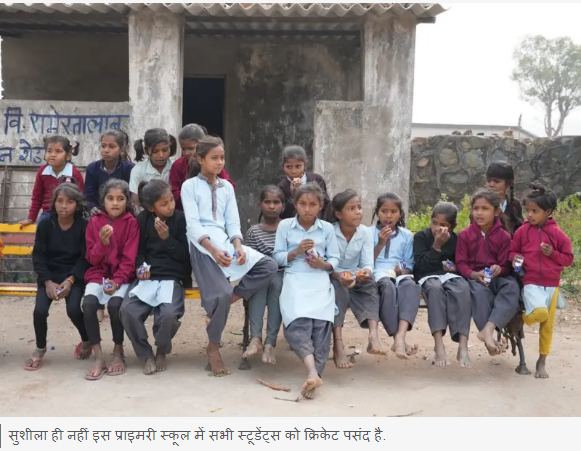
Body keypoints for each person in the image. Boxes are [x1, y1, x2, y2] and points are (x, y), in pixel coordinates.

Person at [181, 136, 277, 376]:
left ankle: (227, 301)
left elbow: (232, 222)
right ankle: (213, 346)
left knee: (268, 266)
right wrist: (213, 250)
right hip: (202, 247)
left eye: (222, 158)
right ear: (200, 159)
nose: (219, 162)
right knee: (220, 294)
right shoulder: (189, 186)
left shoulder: (227, 187)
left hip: (225, 242)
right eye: (214, 158)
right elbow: (192, 225)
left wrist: (238, 246)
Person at [273, 183, 340, 399]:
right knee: (297, 322)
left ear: (321, 206)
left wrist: (323, 264)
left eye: (312, 204)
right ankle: (312, 372)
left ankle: (315, 375)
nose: (307, 209)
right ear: (295, 204)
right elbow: (277, 257)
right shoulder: (285, 226)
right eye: (302, 204)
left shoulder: (327, 229)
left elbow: (335, 258)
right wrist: (296, 251)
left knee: (321, 325)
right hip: (295, 278)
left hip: (319, 279)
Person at [121, 180, 190, 375]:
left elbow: (185, 256)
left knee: (168, 315)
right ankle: (145, 354)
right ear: (152, 208)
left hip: (171, 277)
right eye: (164, 203)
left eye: (172, 200)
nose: (170, 206)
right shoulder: (142, 220)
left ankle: (162, 348)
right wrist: (140, 268)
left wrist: (167, 239)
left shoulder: (180, 220)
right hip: (147, 278)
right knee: (127, 310)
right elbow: (139, 251)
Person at [510, 183, 574, 378]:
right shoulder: (522, 231)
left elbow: (568, 259)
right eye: (527, 210)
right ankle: (519, 319)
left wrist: (552, 253)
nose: (529, 215)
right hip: (530, 281)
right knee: (540, 313)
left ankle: (541, 360)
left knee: (547, 326)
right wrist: (516, 258)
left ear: (548, 212)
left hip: (552, 284)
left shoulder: (558, 234)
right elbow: (513, 251)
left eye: (535, 211)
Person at [24, 183, 91, 371]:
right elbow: (38, 256)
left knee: (73, 309)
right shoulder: (46, 224)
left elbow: (85, 257)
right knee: (40, 311)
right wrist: (47, 282)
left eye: (69, 202)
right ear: (54, 203)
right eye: (60, 201)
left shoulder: (83, 226)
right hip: (49, 276)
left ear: (77, 204)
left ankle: (87, 340)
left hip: (73, 276)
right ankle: (40, 348)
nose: (64, 206)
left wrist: (70, 281)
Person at [82, 179, 139, 380]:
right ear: (103, 200)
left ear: (127, 201)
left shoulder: (131, 223)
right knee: (88, 305)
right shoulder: (94, 222)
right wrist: (103, 243)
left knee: (115, 306)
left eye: (120, 198)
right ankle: (98, 355)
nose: (115, 203)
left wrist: (117, 281)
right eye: (110, 198)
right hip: (98, 274)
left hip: (121, 276)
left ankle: (117, 350)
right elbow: (91, 258)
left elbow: (129, 260)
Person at [456, 188, 520, 356]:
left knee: (512, 287)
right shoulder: (465, 235)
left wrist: (499, 268)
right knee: (479, 293)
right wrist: (473, 274)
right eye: (476, 208)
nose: (479, 213)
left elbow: (506, 266)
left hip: (497, 278)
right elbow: (461, 264)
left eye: (485, 209)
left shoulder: (504, 236)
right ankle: (489, 338)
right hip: (475, 279)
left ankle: (489, 329)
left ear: (496, 212)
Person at [327, 189, 383, 369]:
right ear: (339, 214)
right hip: (335, 276)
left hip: (356, 276)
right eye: (351, 208)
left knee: (370, 285)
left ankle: (373, 335)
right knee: (338, 291)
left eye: (359, 207)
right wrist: (339, 275)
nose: (358, 212)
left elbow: (367, 263)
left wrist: (364, 273)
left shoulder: (365, 232)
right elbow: (327, 263)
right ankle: (338, 344)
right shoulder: (329, 231)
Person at [413, 202, 472, 368]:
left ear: (452, 227)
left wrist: (454, 267)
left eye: (443, 225)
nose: (437, 228)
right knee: (435, 289)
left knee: (463, 288)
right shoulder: (422, 237)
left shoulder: (456, 239)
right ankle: (439, 344)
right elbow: (420, 266)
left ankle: (463, 345)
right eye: (434, 223)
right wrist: (436, 246)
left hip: (449, 276)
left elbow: (460, 263)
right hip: (427, 277)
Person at [372, 192, 421, 360]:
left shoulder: (406, 235)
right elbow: (366, 261)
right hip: (377, 272)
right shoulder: (368, 233)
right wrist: (380, 243)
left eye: (393, 211)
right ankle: (397, 339)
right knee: (387, 286)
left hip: (398, 274)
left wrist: (404, 269)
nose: (388, 216)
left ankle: (401, 336)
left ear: (400, 214)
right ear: (377, 212)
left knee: (411, 286)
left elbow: (409, 262)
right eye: (384, 211)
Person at [242, 185, 285, 364]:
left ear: (283, 205)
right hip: (259, 274)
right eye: (267, 202)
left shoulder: (287, 227)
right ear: (260, 204)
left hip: (282, 273)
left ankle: (270, 343)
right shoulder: (254, 231)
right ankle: (255, 338)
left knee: (276, 285)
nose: (272, 206)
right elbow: (249, 260)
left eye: (276, 202)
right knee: (259, 286)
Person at [19, 135, 84, 228]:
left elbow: (80, 198)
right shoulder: (42, 172)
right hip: (48, 213)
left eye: (58, 151)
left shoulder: (74, 173)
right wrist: (31, 218)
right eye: (49, 151)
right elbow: (37, 197)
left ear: (68, 156)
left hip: (70, 214)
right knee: (42, 231)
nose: (52, 154)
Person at [169, 123, 235, 211]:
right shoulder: (178, 166)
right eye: (183, 149)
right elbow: (174, 194)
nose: (186, 153)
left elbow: (229, 187)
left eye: (191, 148)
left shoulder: (213, 164)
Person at [85, 129, 134, 215]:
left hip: (122, 213)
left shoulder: (130, 169)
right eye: (103, 146)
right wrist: (92, 207)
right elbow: (89, 196)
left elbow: (131, 198)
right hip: (99, 214)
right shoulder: (92, 168)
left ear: (121, 150)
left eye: (112, 146)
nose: (106, 150)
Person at [277, 145, 329, 220]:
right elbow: (283, 213)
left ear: (305, 165)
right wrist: (293, 194)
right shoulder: (281, 187)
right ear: (283, 167)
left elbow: (326, 204)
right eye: (289, 167)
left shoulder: (316, 179)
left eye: (298, 166)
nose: (293, 171)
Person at [130, 128, 176, 209]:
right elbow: (135, 202)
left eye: (165, 150)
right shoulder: (138, 170)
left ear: (170, 148)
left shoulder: (175, 166)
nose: (161, 155)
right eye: (155, 151)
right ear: (146, 151)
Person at [484, 162, 523, 235]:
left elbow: (520, 231)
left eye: (496, 181)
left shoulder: (515, 204)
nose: (491, 185)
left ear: (508, 183)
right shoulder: (481, 203)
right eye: (488, 181)